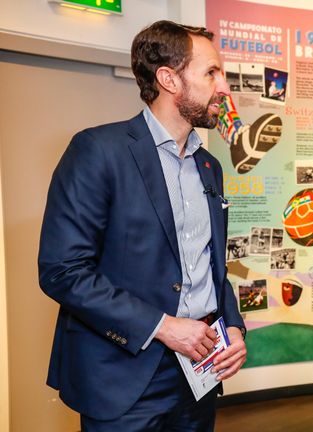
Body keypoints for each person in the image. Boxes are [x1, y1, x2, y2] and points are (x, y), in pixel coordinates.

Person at [38, 21, 247, 431]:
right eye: (211, 73)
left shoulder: (210, 166)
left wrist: (234, 326)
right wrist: (164, 328)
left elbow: (208, 265)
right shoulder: (98, 151)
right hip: (123, 378)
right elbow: (63, 271)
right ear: (169, 78)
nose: (225, 88)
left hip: (200, 372)